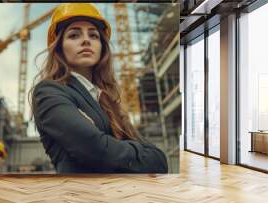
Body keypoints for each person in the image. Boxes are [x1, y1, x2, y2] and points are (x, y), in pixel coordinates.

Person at [29, 3, 168, 174]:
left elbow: (160, 160)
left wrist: (105, 143)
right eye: (74, 35)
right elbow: (95, 150)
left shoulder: (107, 100)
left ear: (102, 46)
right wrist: (140, 154)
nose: (86, 40)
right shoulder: (49, 92)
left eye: (94, 35)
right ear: (59, 48)